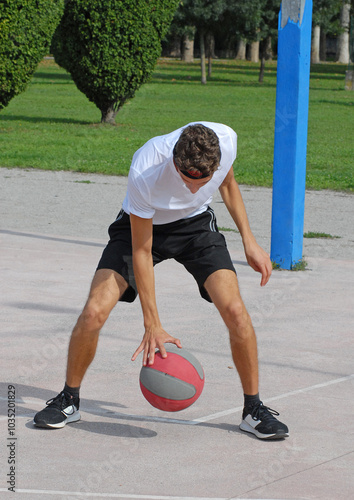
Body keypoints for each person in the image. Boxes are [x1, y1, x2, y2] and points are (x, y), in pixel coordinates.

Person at [34, 122, 289, 440]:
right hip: (139, 229)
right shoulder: (147, 167)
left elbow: (229, 184)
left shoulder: (225, 141)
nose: (195, 189)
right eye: (187, 180)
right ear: (174, 162)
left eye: (203, 181)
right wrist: (152, 323)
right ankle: (68, 400)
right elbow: (142, 251)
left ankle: (253, 410)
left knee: (236, 310)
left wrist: (249, 240)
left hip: (195, 227)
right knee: (93, 311)